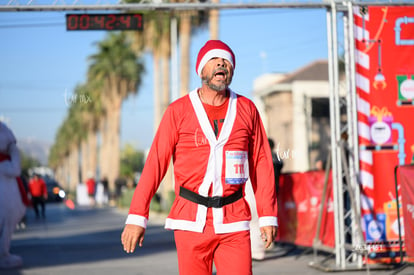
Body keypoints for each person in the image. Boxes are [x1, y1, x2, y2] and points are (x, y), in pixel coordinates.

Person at [121, 40, 278, 275]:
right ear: (202, 70)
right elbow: (155, 164)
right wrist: (137, 216)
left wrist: (268, 215)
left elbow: (261, 163)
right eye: (215, 60)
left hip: (234, 220)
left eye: (226, 61)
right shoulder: (178, 111)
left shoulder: (247, 109)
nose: (222, 64)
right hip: (190, 221)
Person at [0, 122, 26, 269]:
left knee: (7, 220)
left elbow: (15, 168)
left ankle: (3, 253)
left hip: (8, 193)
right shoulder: (4, 165)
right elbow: (15, 168)